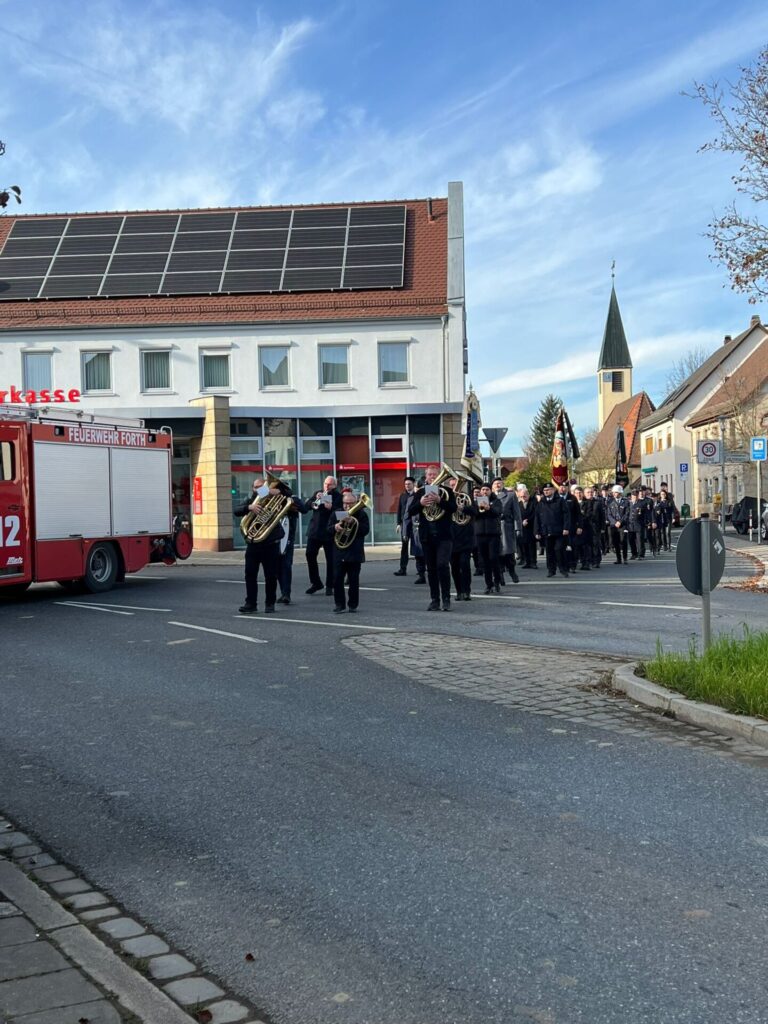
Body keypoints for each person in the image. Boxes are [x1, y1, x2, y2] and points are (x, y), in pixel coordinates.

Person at [236, 476, 289, 614]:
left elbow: (289, 496)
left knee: (271, 575)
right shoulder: (251, 501)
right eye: (256, 487)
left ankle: (270, 603)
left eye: (262, 486)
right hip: (253, 544)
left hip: (271, 543)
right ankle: (250, 603)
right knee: (250, 574)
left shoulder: (276, 497)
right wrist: (250, 507)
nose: (259, 489)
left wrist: (274, 492)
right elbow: (236, 510)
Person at [408, 464, 457, 611]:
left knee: (442, 565)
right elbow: (410, 511)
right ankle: (435, 599)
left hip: (444, 535)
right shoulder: (420, 492)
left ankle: (446, 598)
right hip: (427, 535)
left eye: (435, 474)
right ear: (426, 476)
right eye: (430, 475)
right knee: (431, 568)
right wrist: (421, 503)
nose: (433, 477)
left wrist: (440, 501)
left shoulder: (447, 491)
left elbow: (453, 509)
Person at [329, 490, 369, 613]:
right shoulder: (337, 513)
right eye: (345, 503)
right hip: (339, 551)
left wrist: (354, 523)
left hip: (354, 552)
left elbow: (365, 530)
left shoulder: (361, 514)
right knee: (337, 579)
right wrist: (335, 527)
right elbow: (328, 529)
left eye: (350, 503)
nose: (347, 506)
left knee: (353, 580)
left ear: (356, 502)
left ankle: (353, 604)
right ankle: (339, 604)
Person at [305, 475, 342, 595]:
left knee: (330, 560)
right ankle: (316, 582)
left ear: (335, 486)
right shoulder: (318, 492)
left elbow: (342, 513)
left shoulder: (338, 497)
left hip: (329, 532)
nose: (327, 486)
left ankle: (330, 585)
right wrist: (314, 499)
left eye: (330, 484)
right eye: (325, 483)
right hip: (315, 531)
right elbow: (306, 506)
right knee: (310, 555)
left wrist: (331, 507)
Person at [277, 492, 309, 605]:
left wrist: (291, 502)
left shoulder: (293, 498)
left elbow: (304, 509)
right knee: (277, 567)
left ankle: (286, 594)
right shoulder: (270, 499)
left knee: (285, 565)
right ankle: (283, 592)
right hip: (272, 535)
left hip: (287, 536)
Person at [534, 481, 570, 578]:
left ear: (553, 490)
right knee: (549, 552)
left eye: (548, 490)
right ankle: (551, 570)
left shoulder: (560, 501)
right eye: (544, 490)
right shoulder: (541, 502)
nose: (546, 492)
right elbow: (537, 517)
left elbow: (566, 515)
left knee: (559, 550)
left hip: (559, 530)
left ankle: (563, 569)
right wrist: (537, 531)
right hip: (547, 531)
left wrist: (566, 528)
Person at [393, 476, 425, 582]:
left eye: (409, 484)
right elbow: (400, 510)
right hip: (406, 525)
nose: (407, 486)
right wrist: (399, 523)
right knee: (404, 547)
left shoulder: (417, 495)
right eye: (405, 484)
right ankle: (403, 568)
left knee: (418, 547)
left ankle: (421, 569)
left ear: (413, 484)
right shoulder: (403, 496)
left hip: (416, 525)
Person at [473, 482, 503, 593]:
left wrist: (489, 508)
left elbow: (498, 512)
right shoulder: (476, 502)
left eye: (487, 490)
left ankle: (497, 581)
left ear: (490, 491)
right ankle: (488, 584)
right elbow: (474, 514)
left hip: (493, 534)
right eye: (483, 490)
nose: (485, 492)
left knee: (493, 558)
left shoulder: (496, 501)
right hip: (480, 534)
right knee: (484, 561)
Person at [448, 476, 475, 600]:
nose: (455, 487)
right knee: (454, 567)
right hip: (451, 538)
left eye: (457, 484)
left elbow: (475, 512)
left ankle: (467, 591)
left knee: (464, 565)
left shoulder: (466, 498)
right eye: (452, 485)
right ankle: (459, 591)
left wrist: (462, 508)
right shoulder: (447, 499)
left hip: (465, 537)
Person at [492, 477, 522, 583]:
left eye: (499, 483)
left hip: (506, 526)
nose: (497, 485)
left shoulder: (510, 495)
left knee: (508, 552)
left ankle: (512, 571)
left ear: (503, 484)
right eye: (495, 484)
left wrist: (518, 528)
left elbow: (517, 513)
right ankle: (500, 575)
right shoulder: (489, 496)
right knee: (497, 553)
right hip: (493, 527)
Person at [606, 484, 630, 564]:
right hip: (614, 525)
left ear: (620, 493)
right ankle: (618, 559)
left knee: (623, 541)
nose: (614, 494)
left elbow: (627, 513)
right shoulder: (610, 502)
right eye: (613, 492)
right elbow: (609, 514)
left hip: (622, 525)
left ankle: (625, 558)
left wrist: (620, 521)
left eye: (616, 492)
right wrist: (614, 522)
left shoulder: (626, 502)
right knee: (616, 542)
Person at [583, 486, 605, 569]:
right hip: (585, 527)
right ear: (584, 494)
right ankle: (589, 560)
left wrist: (603, 527)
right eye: (588, 492)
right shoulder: (583, 503)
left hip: (596, 527)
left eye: (591, 492)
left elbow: (602, 516)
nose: (590, 494)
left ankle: (596, 561)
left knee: (596, 544)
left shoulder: (598, 503)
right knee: (587, 545)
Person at [517, 484, 538, 568]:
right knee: (524, 545)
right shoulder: (519, 504)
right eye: (521, 496)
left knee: (531, 545)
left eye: (524, 496)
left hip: (532, 526)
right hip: (523, 527)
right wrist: (522, 521)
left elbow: (535, 513)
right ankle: (527, 562)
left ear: (528, 495)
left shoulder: (533, 502)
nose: (523, 498)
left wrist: (528, 520)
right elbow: (517, 514)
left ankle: (533, 562)